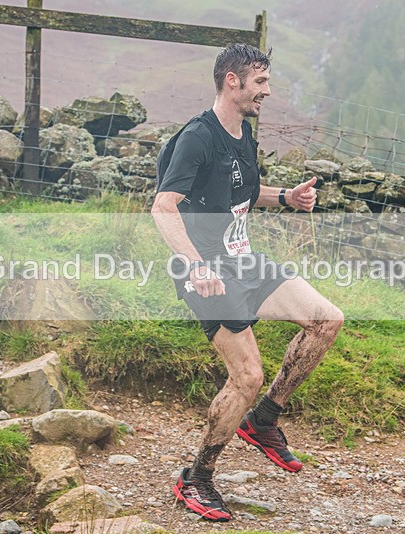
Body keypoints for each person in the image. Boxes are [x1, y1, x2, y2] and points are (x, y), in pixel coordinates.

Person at [151, 43, 344, 522]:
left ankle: (263, 421)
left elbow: (239, 190)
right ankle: (195, 478)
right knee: (248, 376)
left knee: (326, 320)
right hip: (205, 270)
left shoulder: (242, 134)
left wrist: (285, 197)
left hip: (243, 259)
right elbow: (163, 206)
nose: (268, 90)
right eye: (260, 82)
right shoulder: (197, 137)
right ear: (232, 81)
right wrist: (196, 266)